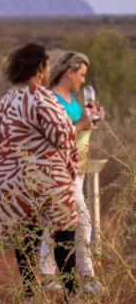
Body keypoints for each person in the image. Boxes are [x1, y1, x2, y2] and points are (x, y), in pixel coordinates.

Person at [0, 43, 79, 301]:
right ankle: (72, 293)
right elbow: (62, 135)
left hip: (13, 183)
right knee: (64, 233)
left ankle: (29, 293)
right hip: (46, 179)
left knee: (27, 236)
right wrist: (77, 128)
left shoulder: (8, 98)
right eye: (47, 65)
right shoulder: (40, 96)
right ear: (40, 69)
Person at [39, 51, 106, 295]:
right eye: (81, 74)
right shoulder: (51, 100)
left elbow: (79, 128)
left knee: (54, 224)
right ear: (69, 72)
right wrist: (81, 125)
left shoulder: (71, 99)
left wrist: (92, 119)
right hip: (59, 172)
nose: (82, 80)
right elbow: (52, 136)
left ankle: (47, 275)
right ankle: (86, 276)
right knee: (83, 222)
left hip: (76, 170)